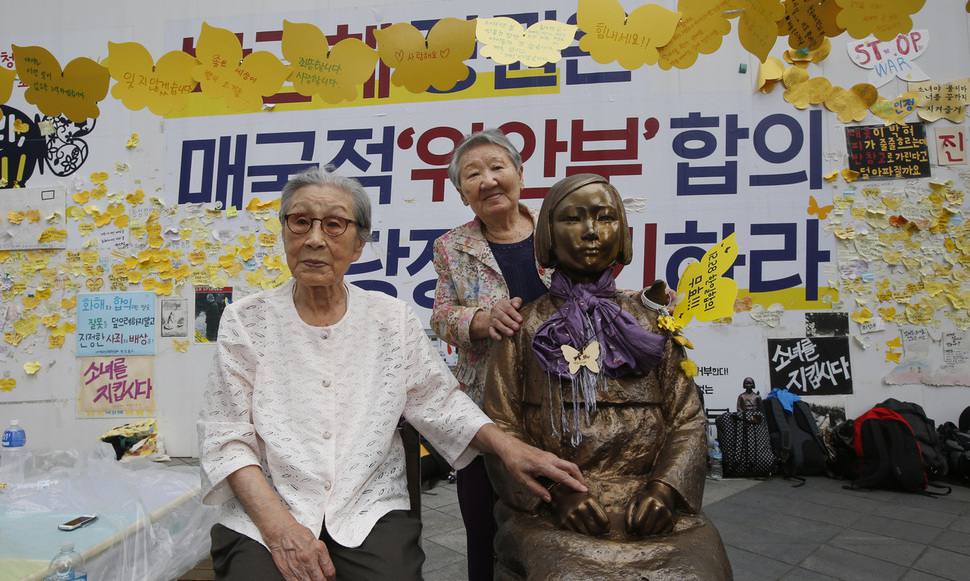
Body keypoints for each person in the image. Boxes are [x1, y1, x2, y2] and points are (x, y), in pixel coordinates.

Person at [198, 167, 587, 581]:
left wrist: (510, 449)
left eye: (333, 225)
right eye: (300, 221)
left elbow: (439, 401)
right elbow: (227, 436)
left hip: (366, 505)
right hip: (270, 509)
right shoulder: (246, 320)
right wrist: (280, 531)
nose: (314, 239)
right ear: (284, 231)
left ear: (358, 243)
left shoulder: (389, 318)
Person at [484, 174, 732, 580]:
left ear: (623, 233)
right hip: (555, 513)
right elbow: (500, 426)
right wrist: (557, 493)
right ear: (547, 233)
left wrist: (665, 490)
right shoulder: (524, 327)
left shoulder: (655, 322)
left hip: (647, 504)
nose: (590, 232)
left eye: (605, 218)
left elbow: (687, 419)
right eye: (572, 220)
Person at [431, 129, 551, 581]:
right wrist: (481, 319)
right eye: (472, 174)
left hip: (561, 403)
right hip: (487, 405)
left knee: (558, 522)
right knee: (483, 526)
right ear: (463, 194)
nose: (488, 180)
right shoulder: (451, 247)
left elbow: (600, 297)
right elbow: (441, 316)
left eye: (497, 167)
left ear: (520, 174)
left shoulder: (559, 229)